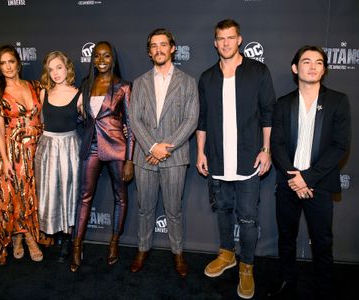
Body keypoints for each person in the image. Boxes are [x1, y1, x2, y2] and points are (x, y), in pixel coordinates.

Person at [196, 19, 275, 298]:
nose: (226, 43)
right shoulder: (207, 77)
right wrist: (201, 152)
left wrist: (266, 150)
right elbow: (202, 119)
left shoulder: (258, 71)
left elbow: (268, 113)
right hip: (217, 160)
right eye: (221, 38)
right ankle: (227, 253)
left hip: (248, 162)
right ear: (215, 42)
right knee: (223, 211)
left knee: (249, 219)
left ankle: (247, 265)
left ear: (240, 39)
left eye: (231, 37)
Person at [267, 45, 351, 299]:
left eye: (318, 62)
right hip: (288, 183)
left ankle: (324, 289)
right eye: (306, 61)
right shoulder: (283, 104)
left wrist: (308, 178)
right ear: (295, 68)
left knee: (322, 242)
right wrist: (295, 177)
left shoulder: (338, 100)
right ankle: (287, 282)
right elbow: (277, 144)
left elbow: (340, 146)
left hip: (320, 184)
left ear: (324, 69)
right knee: (286, 238)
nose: (312, 66)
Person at [128, 28, 199, 278]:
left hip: (174, 157)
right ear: (149, 52)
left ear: (172, 48)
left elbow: (191, 120)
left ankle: (178, 253)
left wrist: (164, 148)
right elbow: (134, 119)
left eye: (163, 45)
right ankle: (142, 249)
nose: (158, 49)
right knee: (145, 208)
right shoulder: (139, 82)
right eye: (154, 46)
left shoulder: (188, 82)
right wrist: (151, 147)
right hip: (145, 158)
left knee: (173, 210)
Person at [70, 41, 134, 272]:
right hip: (92, 147)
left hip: (117, 147)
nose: (102, 60)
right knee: (84, 197)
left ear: (112, 58)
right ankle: (76, 246)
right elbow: (84, 119)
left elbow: (131, 125)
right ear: (93, 59)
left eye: (106, 56)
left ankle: (114, 243)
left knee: (121, 196)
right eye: (97, 56)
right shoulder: (86, 84)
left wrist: (129, 159)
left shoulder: (124, 86)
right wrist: (79, 114)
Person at [0, 44, 44, 265]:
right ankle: (28, 239)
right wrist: (5, 160)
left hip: (37, 150)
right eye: (3, 63)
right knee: (15, 194)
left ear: (18, 63)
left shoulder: (35, 86)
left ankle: (18, 236)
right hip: (14, 152)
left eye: (11, 61)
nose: (7, 67)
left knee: (31, 195)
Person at [35, 51, 82, 263]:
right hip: (47, 148)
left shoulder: (78, 94)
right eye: (51, 69)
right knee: (50, 192)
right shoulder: (44, 93)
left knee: (69, 192)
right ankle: (53, 233)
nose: (55, 73)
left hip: (70, 147)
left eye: (59, 67)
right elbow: (38, 122)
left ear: (67, 68)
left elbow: (90, 122)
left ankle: (68, 239)